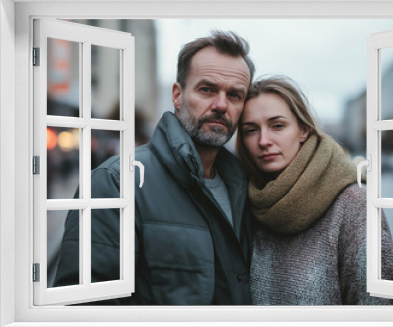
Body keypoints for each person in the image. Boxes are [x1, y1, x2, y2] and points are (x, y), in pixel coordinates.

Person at [54, 31, 256, 305]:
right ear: (177, 95)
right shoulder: (116, 183)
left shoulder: (246, 189)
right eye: (207, 89)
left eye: (234, 95)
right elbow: (87, 309)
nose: (221, 105)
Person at [236, 76, 393, 305]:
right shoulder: (247, 201)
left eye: (278, 126)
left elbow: (386, 311)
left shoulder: (353, 203)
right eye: (250, 130)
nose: (263, 140)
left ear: (303, 130)